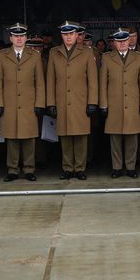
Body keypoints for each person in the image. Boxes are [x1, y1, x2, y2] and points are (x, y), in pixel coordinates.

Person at [46, 21, 99, 180]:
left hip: (80, 101)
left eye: (71, 34)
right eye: (65, 34)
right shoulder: (54, 52)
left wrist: (92, 102)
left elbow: (92, 80)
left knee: (81, 136)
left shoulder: (87, 52)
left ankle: (80, 168)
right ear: (61, 36)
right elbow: (50, 80)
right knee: (65, 136)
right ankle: (68, 168)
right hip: (62, 100)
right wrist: (51, 103)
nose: (68, 37)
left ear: (77, 35)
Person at [0, 23, 45, 182]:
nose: (19, 39)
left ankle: (29, 169)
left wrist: (39, 103)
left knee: (29, 137)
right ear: (10, 38)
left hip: (29, 103)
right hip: (9, 103)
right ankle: (13, 169)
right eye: (16, 36)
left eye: (21, 36)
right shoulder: (2, 55)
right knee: (12, 137)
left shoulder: (34, 55)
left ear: (26, 38)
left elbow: (39, 82)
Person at [99, 28, 140, 178]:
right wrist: (103, 104)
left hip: (133, 103)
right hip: (114, 104)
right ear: (114, 43)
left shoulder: (138, 57)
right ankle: (117, 167)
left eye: (124, 41)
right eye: (118, 41)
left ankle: (130, 167)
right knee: (115, 138)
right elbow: (103, 83)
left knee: (132, 137)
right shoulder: (107, 58)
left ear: (129, 41)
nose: (122, 44)